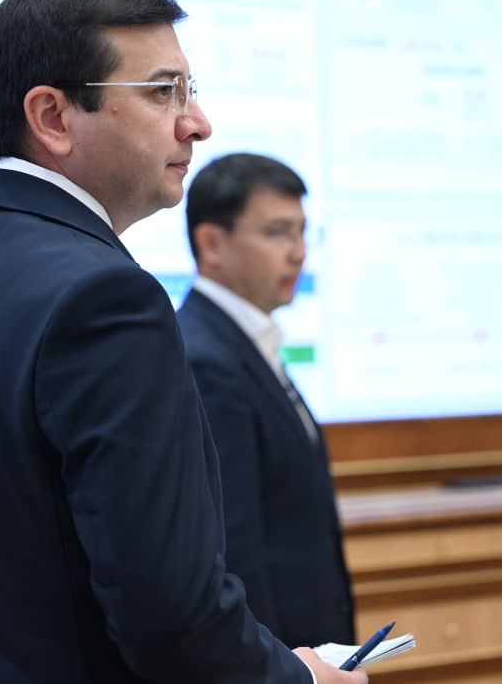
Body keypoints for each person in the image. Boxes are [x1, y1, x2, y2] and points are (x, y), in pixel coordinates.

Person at [0, 0, 366, 684]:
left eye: (189, 90)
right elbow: (171, 617)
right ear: (52, 116)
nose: (197, 122)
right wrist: (301, 679)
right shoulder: (106, 296)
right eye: (162, 92)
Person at [177, 153, 356, 650]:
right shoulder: (206, 357)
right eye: (277, 233)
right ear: (212, 243)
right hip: (279, 656)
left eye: (302, 233)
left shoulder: (246, 340)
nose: (298, 253)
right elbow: (236, 549)